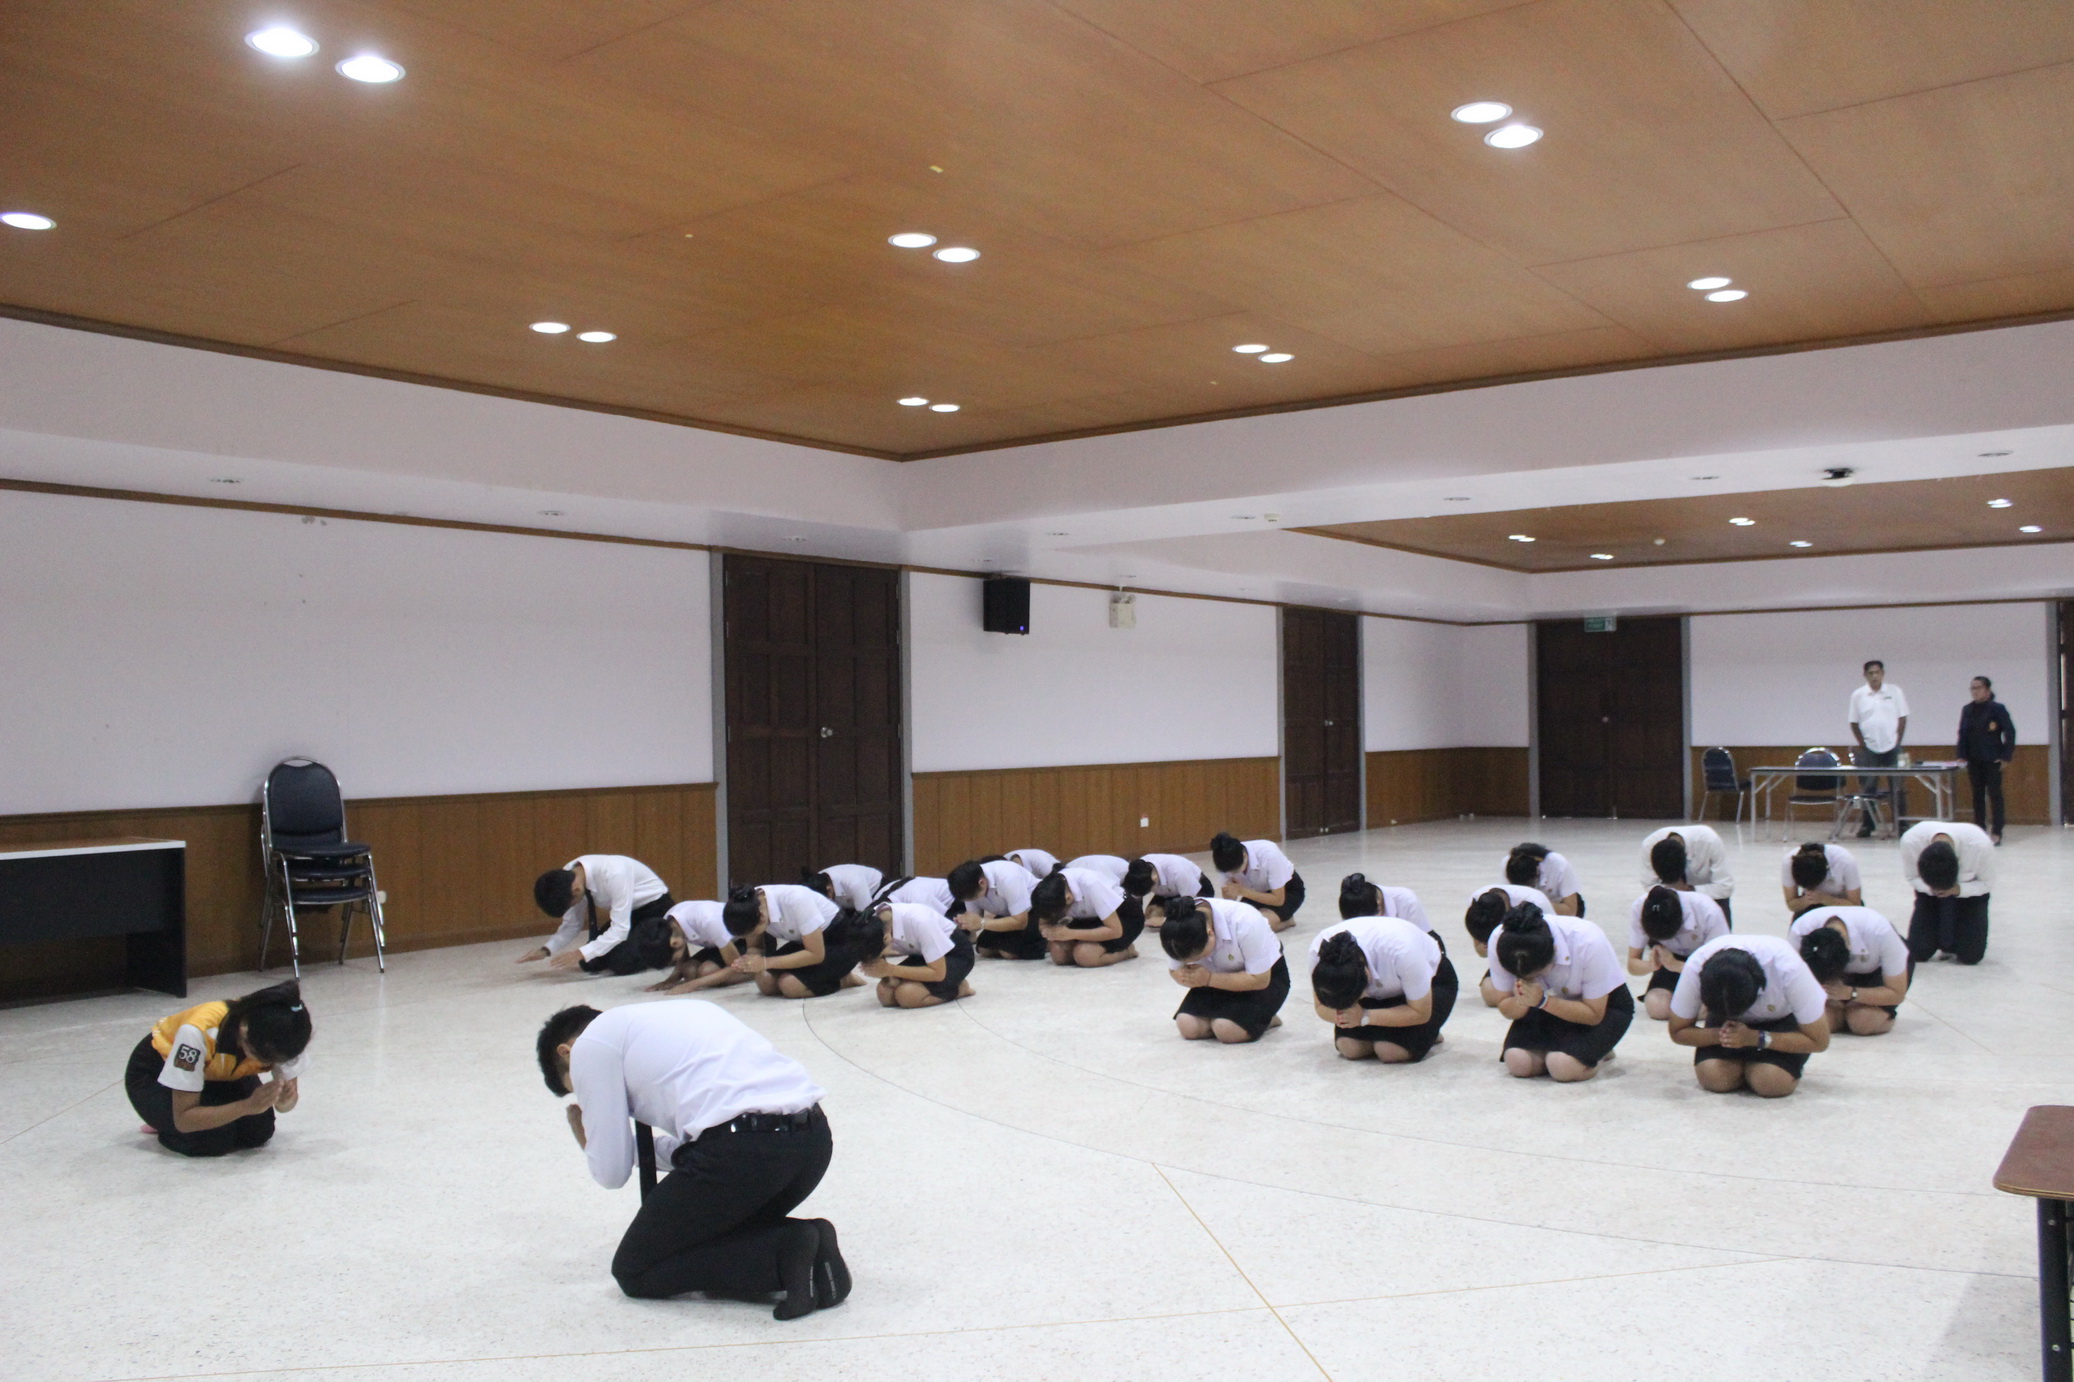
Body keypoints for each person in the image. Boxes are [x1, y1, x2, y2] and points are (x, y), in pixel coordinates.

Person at [537, 1000, 845, 1318]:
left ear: (567, 1053)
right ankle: (816, 1252)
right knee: (712, 1233)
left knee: (635, 1270)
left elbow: (611, 1173)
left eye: (578, 1087)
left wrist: (589, 1139)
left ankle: (784, 1250)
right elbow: (697, 1150)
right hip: (812, 1143)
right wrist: (632, 1150)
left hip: (745, 1152)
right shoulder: (671, 1019)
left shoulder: (590, 1046)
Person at [126, 980, 311, 1157]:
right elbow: (184, 1118)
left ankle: (207, 1105)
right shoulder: (197, 1031)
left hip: (219, 1073)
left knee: (259, 1130)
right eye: (264, 1058)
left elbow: (285, 1105)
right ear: (244, 1031)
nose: (270, 1064)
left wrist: (284, 1100)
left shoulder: (290, 1034)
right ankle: (164, 1124)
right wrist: (247, 1106)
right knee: (213, 1138)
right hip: (156, 1073)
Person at [1309, 880, 1457, 1064]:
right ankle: (1402, 1032)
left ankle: (1429, 1032)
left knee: (1389, 1051)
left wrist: (1364, 1017)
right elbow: (1321, 1007)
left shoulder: (1403, 951)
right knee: (1349, 1047)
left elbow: (1420, 1012)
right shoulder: (1320, 951)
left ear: (1367, 975)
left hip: (1431, 984)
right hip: (1376, 991)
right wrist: (1344, 1016)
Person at [1667, 936, 1831, 1098]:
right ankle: (1745, 1067)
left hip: (1780, 1019)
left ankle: (1761, 1068)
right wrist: (1723, 1036)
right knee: (1714, 1077)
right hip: (1724, 1025)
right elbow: (1677, 1030)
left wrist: (1756, 1038)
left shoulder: (1789, 969)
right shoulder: (1696, 966)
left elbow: (1819, 1040)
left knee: (1770, 1082)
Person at [1487, 905, 1633, 1082]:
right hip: (1542, 1004)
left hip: (1601, 1007)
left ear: (1554, 952)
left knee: (1562, 1067)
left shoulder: (1588, 940)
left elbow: (1594, 1015)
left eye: (1536, 975)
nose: (1527, 979)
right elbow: (1504, 1005)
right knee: (1518, 1062)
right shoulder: (1502, 940)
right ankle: (1570, 1048)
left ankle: (1599, 1054)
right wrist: (1522, 1000)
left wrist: (1543, 1001)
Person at [1160, 896, 1290, 1043]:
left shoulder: (1246, 921)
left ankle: (1266, 1019)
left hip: (1263, 980)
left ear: (1210, 934)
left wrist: (1208, 979)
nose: (1191, 963)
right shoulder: (1175, 926)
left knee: (1226, 1030)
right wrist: (1182, 975)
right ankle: (1240, 1017)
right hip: (1213, 979)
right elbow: (1174, 970)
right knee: (1187, 1025)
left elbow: (1260, 980)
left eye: (1198, 957)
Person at [518, 855, 674, 976]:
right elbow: (572, 924)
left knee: (621, 962)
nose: (573, 906)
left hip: (655, 908)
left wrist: (579, 953)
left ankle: (668, 946)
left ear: (576, 891)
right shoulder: (568, 876)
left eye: (571, 904)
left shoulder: (613, 872)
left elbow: (620, 930)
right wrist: (546, 950)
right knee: (590, 962)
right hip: (629, 913)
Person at [721, 883, 861, 997]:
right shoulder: (749, 904)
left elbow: (816, 954)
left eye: (752, 933)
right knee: (765, 980)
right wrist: (748, 961)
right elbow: (756, 948)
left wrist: (765, 962)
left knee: (790, 985)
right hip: (804, 942)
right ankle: (821, 977)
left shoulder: (796, 900)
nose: (751, 937)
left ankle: (843, 980)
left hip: (839, 941)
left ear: (761, 917)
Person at [1790, 905, 1910, 1036]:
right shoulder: (1800, 931)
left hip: (1876, 970)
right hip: (1828, 973)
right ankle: (1842, 1013)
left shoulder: (1880, 932)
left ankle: (1880, 1017)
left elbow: (1896, 993)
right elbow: (1791, 988)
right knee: (1824, 1022)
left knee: (1862, 1021)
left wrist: (1851, 993)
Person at [1626, 883, 1730, 1021]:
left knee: (1712, 1007)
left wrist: (1678, 965)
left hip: (1705, 965)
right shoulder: (1639, 908)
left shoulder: (1707, 910)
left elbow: (1721, 968)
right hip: (1667, 962)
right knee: (1656, 1006)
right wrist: (1651, 965)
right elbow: (1632, 964)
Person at [1900, 820, 1995, 964]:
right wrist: (1930, 889)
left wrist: (1957, 889)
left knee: (1971, 957)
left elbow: (1987, 883)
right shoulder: (1911, 841)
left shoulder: (1980, 845)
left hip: (1970, 894)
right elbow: (1912, 877)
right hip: (1929, 895)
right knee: (1918, 952)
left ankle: (1953, 940)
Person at [852, 901, 976, 1007]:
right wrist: (885, 973)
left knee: (907, 995)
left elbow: (938, 973)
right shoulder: (870, 921)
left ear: (886, 938)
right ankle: (942, 987)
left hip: (955, 954)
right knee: (885, 994)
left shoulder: (920, 921)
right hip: (921, 955)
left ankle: (960, 988)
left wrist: (890, 970)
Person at [1463, 881, 1553, 1007]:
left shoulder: (1538, 904)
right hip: (1506, 957)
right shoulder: (1478, 905)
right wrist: (1486, 948)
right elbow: (1480, 951)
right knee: (1489, 992)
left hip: (1536, 957)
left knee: (1534, 991)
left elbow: (1550, 949)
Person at [1030, 865, 1139, 967]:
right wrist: (1049, 931)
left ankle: (1127, 952)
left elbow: (1115, 931)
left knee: (1085, 955)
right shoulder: (1052, 889)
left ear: (1068, 899)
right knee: (1058, 954)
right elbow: (1044, 923)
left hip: (1122, 917)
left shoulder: (1092, 884)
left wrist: (1069, 934)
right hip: (1089, 917)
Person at [1849, 659, 1910, 838]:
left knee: (1897, 788)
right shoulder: (1858, 695)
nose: (1874, 676)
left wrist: (1897, 741)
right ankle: (1868, 825)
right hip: (1869, 748)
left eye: (1877, 672)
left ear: (1882, 674)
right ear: (1865, 675)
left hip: (1893, 747)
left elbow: (1902, 718)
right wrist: (1862, 744)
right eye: (1871, 673)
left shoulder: (1895, 691)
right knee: (1868, 788)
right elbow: (1854, 723)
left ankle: (1902, 824)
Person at [1957, 676, 2017, 844]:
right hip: (1973, 759)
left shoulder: (1997, 709)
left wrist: (2006, 756)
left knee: (1995, 795)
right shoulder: (1967, 709)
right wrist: (1961, 754)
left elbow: (2010, 732)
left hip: (1992, 759)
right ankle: (1979, 829)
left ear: (1987, 690)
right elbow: (1962, 733)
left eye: (1978, 688)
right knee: (1977, 795)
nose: (1975, 691)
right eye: (1972, 688)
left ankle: (1997, 831)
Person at [950, 858, 1044, 960]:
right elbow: (976, 922)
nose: (971, 901)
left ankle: (1045, 940)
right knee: (983, 949)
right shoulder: (968, 888)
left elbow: (1021, 922)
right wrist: (965, 923)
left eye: (973, 898)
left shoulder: (1008, 877)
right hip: (1008, 914)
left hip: (1035, 909)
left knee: (1008, 953)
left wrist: (982, 923)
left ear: (982, 883)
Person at [648, 900, 749, 994]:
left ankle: (753, 971)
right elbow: (682, 954)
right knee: (689, 971)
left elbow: (735, 967)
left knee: (706, 972)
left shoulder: (709, 920)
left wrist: (693, 985)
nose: (675, 962)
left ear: (675, 943)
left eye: (673, 961)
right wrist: (671, 980)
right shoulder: (668, 923)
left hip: (744, 940)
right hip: (718, 944)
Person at [1637, 825, 1734, 923]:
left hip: (1710, 897)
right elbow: (1649, 884)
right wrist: (1672, 893)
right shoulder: (1649, 846)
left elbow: (1725, 887)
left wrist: (1689, 890)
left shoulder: (1710, 841)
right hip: (1669, 900)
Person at [1210, 832, 1305, 931]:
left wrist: (1243, 891)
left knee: (1261, 924)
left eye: (1236, 871)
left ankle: (1287, 921)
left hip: (1287, 890)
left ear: (1245, 856)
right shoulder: (1223, 862)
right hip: (1254, 891)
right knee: (1239, 923)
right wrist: (1231, 893)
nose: (1232, 874)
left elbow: (1278, 900)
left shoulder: (1269, 854)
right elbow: (1229, 901)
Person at [1121, 852, 1215, 930]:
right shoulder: (1139, 869)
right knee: (1152, 915)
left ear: (1154, 879)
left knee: (1198, 916)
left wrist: (1165, 920)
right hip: (1168, 892)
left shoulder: (1178, 871)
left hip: (1196, 890)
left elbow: (1189, 904)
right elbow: (1136, 898)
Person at [1780, 842, 1863, 917]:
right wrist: (1806, 900)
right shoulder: (1789, 862)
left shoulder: (1845, 861)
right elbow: (1791, 904)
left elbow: (1856, 905)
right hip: (1810, 905)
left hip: (1842, 902)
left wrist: (1826, 900)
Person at [1506, 842, 1584, 916]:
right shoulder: (1509, 864)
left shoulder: (1559, 865)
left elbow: (1571, 911)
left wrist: (1538, 903)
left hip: (1557, 909)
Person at [802, 864, 882, 913]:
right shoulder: (817, 880)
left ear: (829, 889)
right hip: (846, 905)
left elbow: (865, 913)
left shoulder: (853, 882)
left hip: (876, 892)